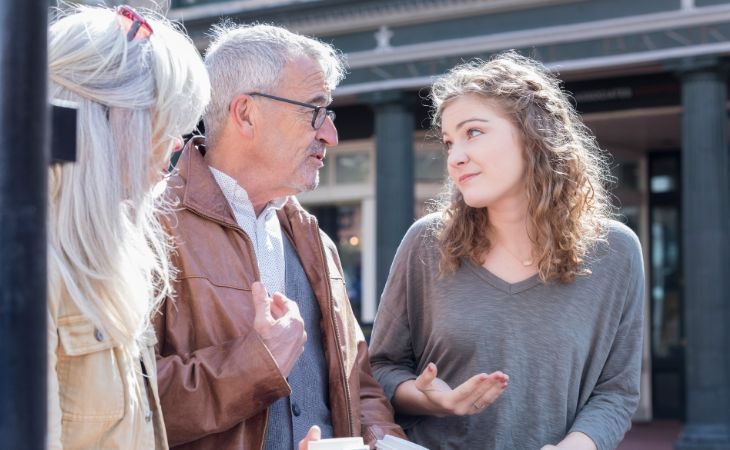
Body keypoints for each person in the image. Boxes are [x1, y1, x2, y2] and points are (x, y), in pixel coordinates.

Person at [369, 52, 645, 450]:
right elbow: (381, 368)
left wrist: (576, 446)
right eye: (448, 142)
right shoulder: (427, 243)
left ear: (534, 134)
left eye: (473, 132)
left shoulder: (615, 251)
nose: (455, 157)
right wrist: (436, 400)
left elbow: (616, 392)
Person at [153, 23, 405, 450]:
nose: (330, 134)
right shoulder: (152, 226)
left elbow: (358, 386)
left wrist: (382, 442)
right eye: (315, 111)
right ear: (246, 113)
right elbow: (125, 401)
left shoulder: (316, 242)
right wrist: (256, 363)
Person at [47, 5, 210, 450]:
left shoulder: (100, 252)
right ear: (107, 120)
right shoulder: (24, 264)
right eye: (163, 121)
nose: (177, 144)